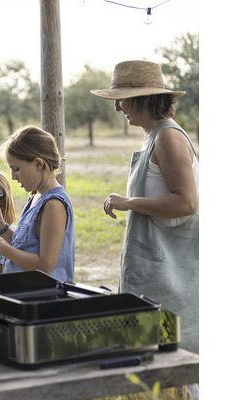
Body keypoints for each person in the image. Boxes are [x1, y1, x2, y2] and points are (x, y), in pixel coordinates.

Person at [90, 60, 199, 354]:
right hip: (154, 273)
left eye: (121, 100)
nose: (117, 108)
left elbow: (187, 202)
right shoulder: (152, 135)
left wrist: (129, 203)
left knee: (169, 361)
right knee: (149, 356)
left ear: (146, 98)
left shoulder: (168, 137)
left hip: (170, 276)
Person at [0, 125, 75, 283]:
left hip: (45, 297)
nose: (13, 176)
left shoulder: (53, 204)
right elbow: (26, 246)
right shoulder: (36, 197)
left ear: (38, 164)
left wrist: (2, 248)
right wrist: (2, 228)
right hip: (27, 293)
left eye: (17, 169)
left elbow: (44, 265)